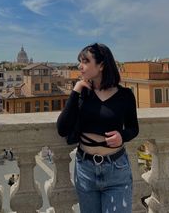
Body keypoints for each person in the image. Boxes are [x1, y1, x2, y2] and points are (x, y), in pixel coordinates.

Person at [57, 43, 139, 213]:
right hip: (85, 169)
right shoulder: (83, 94)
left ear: (101, 65)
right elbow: (63, 128)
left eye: (85, 61)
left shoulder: (125, 95)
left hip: (116, 169)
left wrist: (122, 136)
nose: (80, 66)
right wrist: (76, 90)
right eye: (79, 61)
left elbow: (133, 128)